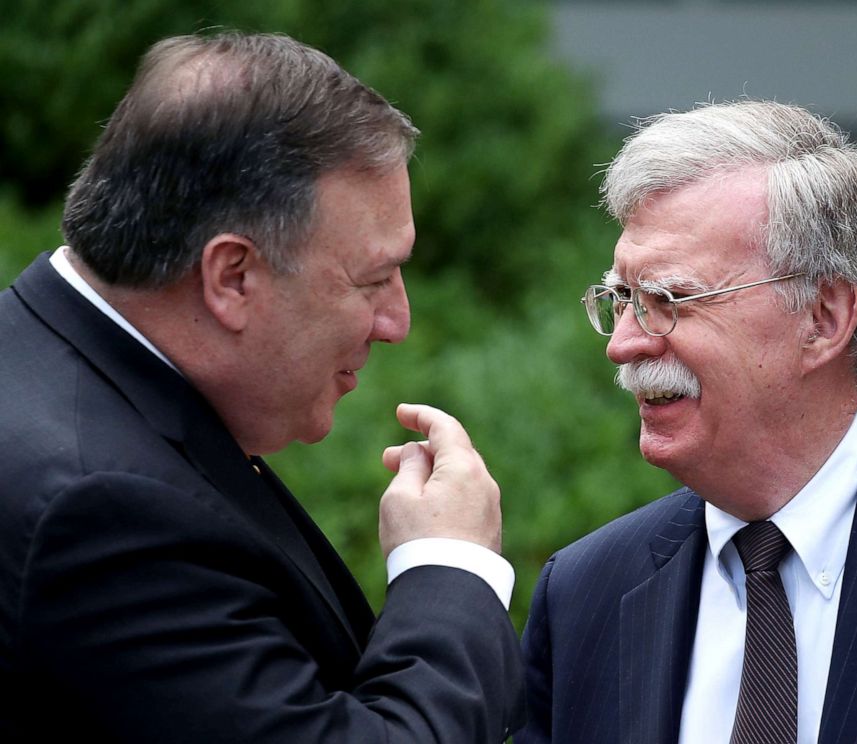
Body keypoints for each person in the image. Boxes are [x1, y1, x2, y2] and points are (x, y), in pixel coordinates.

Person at [0, 31, 524, 742]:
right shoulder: (104, 511)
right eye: (372, 280)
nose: (396, 321)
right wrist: (448, 565)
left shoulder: (43, 362)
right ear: (232, 278)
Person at [518, 100, 857, 744]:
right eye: (622, 299)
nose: (623, 343)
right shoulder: (587, 593)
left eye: (669, 299)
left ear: (823, 318)